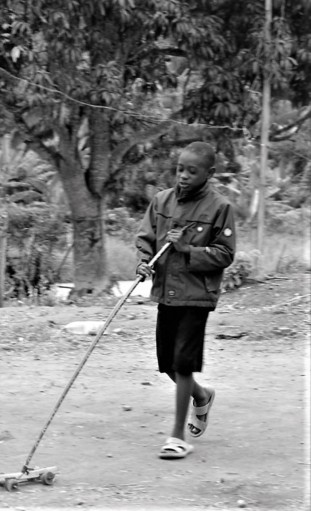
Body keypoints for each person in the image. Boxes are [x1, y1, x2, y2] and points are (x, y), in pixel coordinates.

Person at [135, 141, 236, 460]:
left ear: (210, 173)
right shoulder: (161, 201)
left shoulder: (220, 207)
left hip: (196, 296)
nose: (183, 176)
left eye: (192, 171)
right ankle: (202, 395)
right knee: (167, 363)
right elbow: (145, 238)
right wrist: (144, 260)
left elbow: (225, 253)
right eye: (180, 169)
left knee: (183, 363)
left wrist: (187, 251)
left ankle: (177, 436)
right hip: (166, 292)